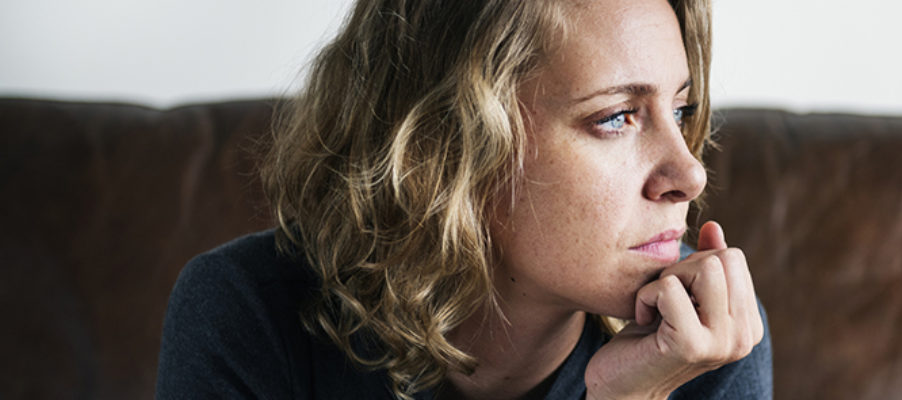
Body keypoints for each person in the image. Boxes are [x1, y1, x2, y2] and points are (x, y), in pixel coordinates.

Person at [155, 0, 771, 398]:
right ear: (447, 146)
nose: (689, 173)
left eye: (682, 109)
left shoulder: (706, 344)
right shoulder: (249, 313)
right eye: (616, 117)